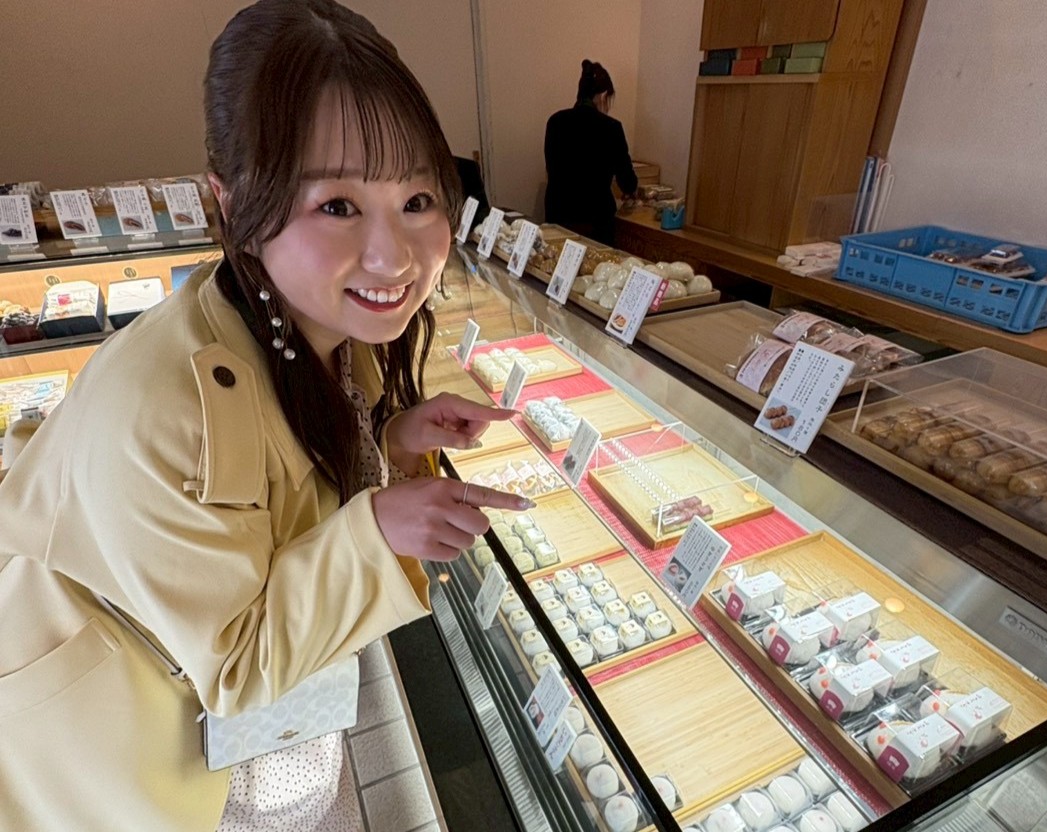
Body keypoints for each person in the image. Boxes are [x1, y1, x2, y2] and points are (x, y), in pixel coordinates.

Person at [0, 2, 529, 830]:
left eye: (418, 197)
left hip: (268, 728)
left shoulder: (315, 326)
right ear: (234, 196)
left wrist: (392, 443)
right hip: (155, 754)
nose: (394, 255)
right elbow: (238, 663)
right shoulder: (162, 401)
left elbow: (282, 488)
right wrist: (380, 529)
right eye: (338, 205)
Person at [544, 59, 638, 245]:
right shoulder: (611, 128)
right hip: (595, 224)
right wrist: (631, 192)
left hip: (557, 219)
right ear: (603, 96)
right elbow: (627, 181)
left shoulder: (555, 121)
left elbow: (552, 168)